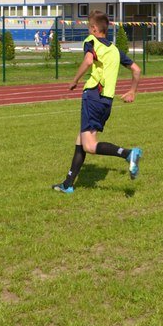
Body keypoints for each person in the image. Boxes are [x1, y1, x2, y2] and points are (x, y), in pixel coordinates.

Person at [53, 10, 143, 193]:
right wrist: (132, 91)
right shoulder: (115, 50)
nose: (88, 31)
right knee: (80, 139)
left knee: (89, 145)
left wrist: (75, 81)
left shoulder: (91, 41)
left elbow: (87, 61)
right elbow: (136, 70)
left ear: (94, 29)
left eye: (89, 28)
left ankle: (127, 153)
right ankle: (68, 184)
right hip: (106, 101)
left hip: (93, 96)